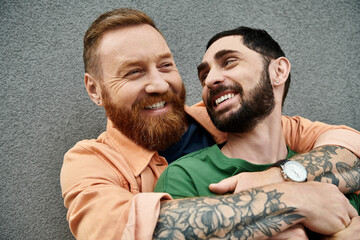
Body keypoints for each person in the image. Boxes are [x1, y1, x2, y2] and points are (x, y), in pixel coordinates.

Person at [60, 8, 360, 239]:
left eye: (166, 65)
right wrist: (292, 199)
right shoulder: (89, 162)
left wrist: (279, 176)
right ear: (95, 90)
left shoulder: (225, 118)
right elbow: (137, 230)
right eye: (133, 72)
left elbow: (349, 151)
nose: (158, 84)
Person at [154, 26, 360, 238]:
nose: (209, 80)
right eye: (204, 75)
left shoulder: (333, 176)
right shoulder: (185, 176)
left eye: (229, 62)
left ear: (278, 71)